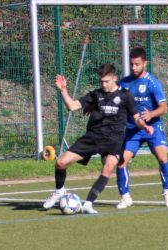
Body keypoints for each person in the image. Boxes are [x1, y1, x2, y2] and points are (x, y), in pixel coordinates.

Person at [43, 63, 153, 214]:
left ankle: (88, 203)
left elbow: (136, 118)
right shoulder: (96, 95)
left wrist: (145, 126)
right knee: (61, 162)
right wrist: (63, 90)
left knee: (108, 167)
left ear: (115, 78)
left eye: (107, 81)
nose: (104, 84)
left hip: (113, 140)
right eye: (101, 81)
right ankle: (59, 191)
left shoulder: (126, 96)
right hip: (93, 137)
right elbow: (72, 106)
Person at [116, 47, 168, 209]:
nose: (134, 67)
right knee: (121, 162)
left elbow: (164, 108)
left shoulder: (152, 82)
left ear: (145, 63)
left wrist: (151, 114)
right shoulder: (124, 82)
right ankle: (125, 197)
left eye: (137, 64)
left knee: (163, 158)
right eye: (132, 64)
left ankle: (167, 192)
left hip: (153, 127)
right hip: (132, 129)